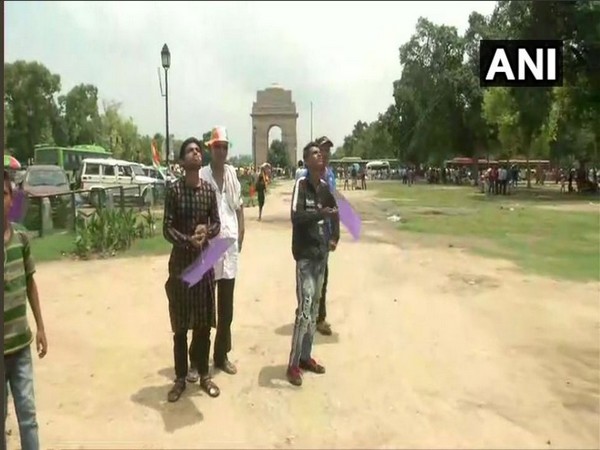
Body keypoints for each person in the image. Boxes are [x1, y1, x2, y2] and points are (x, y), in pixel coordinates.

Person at [163, 138, 221, 402]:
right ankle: (179, 378)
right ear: (182, 161)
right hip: (180, 265)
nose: (196, 153)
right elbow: (167, 227)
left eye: (198, 150)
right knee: (180, 327)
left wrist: (205, 232)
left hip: (204, 265)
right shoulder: (174, 191)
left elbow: (217, 224)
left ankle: (205, 375)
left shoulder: (209, 191)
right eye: (190, 150)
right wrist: (188, 240)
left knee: (203, 323)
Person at [186, 126, 244, 380]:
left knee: (226, 310)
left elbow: (239, 207)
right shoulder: (204, 176)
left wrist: (241, 234)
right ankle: (196, 360)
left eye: (225, 147)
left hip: (229, 249)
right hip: (209, 250)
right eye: (217, 146)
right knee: (204, 309)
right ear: (210, 148)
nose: (221, 151)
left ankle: (221, 356)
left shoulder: (232, 175)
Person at [287, 142, 340, 386]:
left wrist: (335, 236)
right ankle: (294, 363)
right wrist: (321, 214)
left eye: (322, 153)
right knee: (305, 310)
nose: (321, 156)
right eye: (316, 154)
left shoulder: (325, 187)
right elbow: (296, 218)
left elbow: (335, 211)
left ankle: (307, 356)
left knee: (315, 307)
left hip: (320, 255)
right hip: (305, 257)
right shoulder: (301, 186)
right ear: (307, 161)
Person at [4, 170, 48, 450]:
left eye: (3, 194)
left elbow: (31, 284)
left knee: (28, 416)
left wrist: (41, 327)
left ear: (11, 200)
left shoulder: (21, 239)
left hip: (20, 345)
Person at [295, 136, 338, 336]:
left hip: (324, 236)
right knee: (307, 288)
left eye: (328, 150)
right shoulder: (303, 180)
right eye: (322, 150)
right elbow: (298, 214)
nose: (325, 154)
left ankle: (319, 318)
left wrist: (335, 235)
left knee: (322, 281)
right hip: (307, 240)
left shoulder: (330, 176)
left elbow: (334, 207)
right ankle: (305, 318)